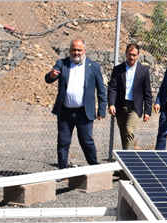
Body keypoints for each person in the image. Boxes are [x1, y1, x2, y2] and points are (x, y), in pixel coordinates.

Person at [45, 39, 106, 170]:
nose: (76, 53)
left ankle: (95, 168)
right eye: (74, 50)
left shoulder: (93, 67)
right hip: (65, 112)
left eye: (79, 50)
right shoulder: (62, 63)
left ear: (85, 51)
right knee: (63, 143)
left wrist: (102, 109)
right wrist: (51, 75)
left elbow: (101, 90)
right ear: (70, 50)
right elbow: (49, 79)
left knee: (86, 142)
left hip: (84, 112)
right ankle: (63, 172)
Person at [107, 43, 153, 151]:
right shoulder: (118, 69)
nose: (131, 57)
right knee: (124, 134)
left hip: (134, 106)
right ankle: (127, 157)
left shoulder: (143, 71)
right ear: (126, 54)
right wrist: (111, 104)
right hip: (120, 106)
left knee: (129, 130)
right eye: (129, 54)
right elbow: (112, 88)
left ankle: (127, 160)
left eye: (134, 55)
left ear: (138, 55)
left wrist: (147, 110)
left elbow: (147, 92)